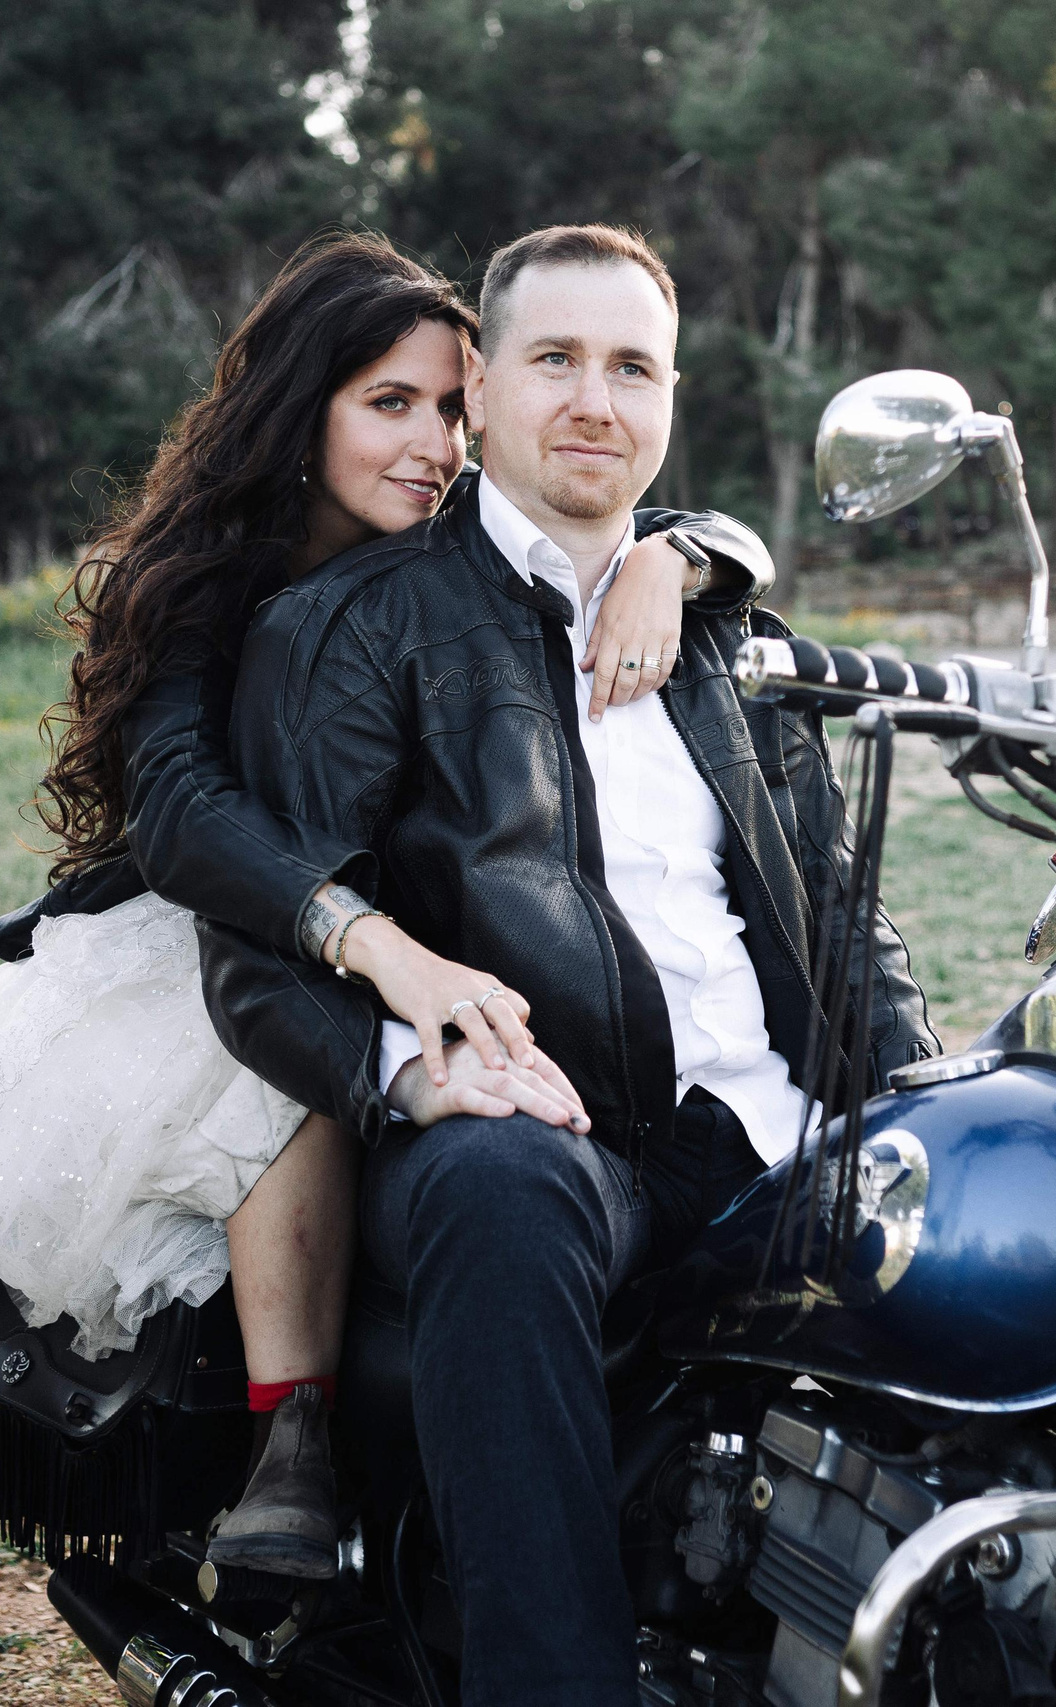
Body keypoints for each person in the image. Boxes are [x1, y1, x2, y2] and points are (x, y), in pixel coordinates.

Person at [0, 230, 775, 1580]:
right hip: (223, 903)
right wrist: (371, 944)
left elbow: (648, 517)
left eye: (443, 407)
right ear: (301, 409)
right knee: (291, 1079)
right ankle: (288, 1435)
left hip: (353, 891)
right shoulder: (210, 578)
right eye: (388, 405)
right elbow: (188, 811)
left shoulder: (443, 559)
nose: (431, 446)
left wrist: (679, 559)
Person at [201, 223, 934, 1705]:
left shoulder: (733, 630)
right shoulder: (355, 627)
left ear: (673, 396)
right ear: (482, 388)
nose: (595, 402)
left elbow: (844, 921)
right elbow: (263, 946)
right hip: (556, 1146)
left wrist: (922, 1097)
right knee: (498, 1177)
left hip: (771, 1135)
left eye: (632, 367)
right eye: (555, 361)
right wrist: (417, 1074)